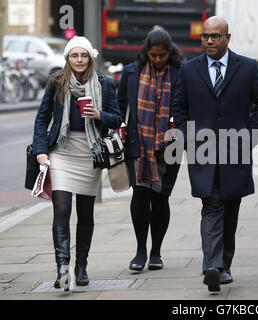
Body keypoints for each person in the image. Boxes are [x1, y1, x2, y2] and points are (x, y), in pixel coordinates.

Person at [172, 16, 258, 292]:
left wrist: (252, 134)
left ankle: (224, 265)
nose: (209, 41)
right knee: (211, 205)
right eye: (205, 36)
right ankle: (212, 267)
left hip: (236, 151)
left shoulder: (248, 68)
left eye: (215, 36)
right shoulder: (189, 69)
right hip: (202, 152)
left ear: (227, 38)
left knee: (230, 208)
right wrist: (186, 138)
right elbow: (178, 107)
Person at [32, 36, 123, 290]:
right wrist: (41, 151)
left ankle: (81, 265)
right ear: (68, 59)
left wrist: (99, 115)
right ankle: (63, 268)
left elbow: (117, 119)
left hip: (90, 152)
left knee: (85, 212)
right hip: (62, 149)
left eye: (84, 56)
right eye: (75, 56)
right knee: (61, 209)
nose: (80, 60)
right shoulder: (57, 83)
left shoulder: (104, 85)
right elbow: (42, 119)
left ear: (90, 58)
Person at [117, 28, 183, 272]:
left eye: (162, 55)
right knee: (140, 196)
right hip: (138, 145)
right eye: (153, 55)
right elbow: (121, 104)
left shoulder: (180, 72)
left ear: (169, 53)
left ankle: (156, 252)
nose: (157, 60)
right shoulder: (131, 72)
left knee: (161, 197)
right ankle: (140, 251)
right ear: (146, 52)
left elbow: (186, 105)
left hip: (170, 145)